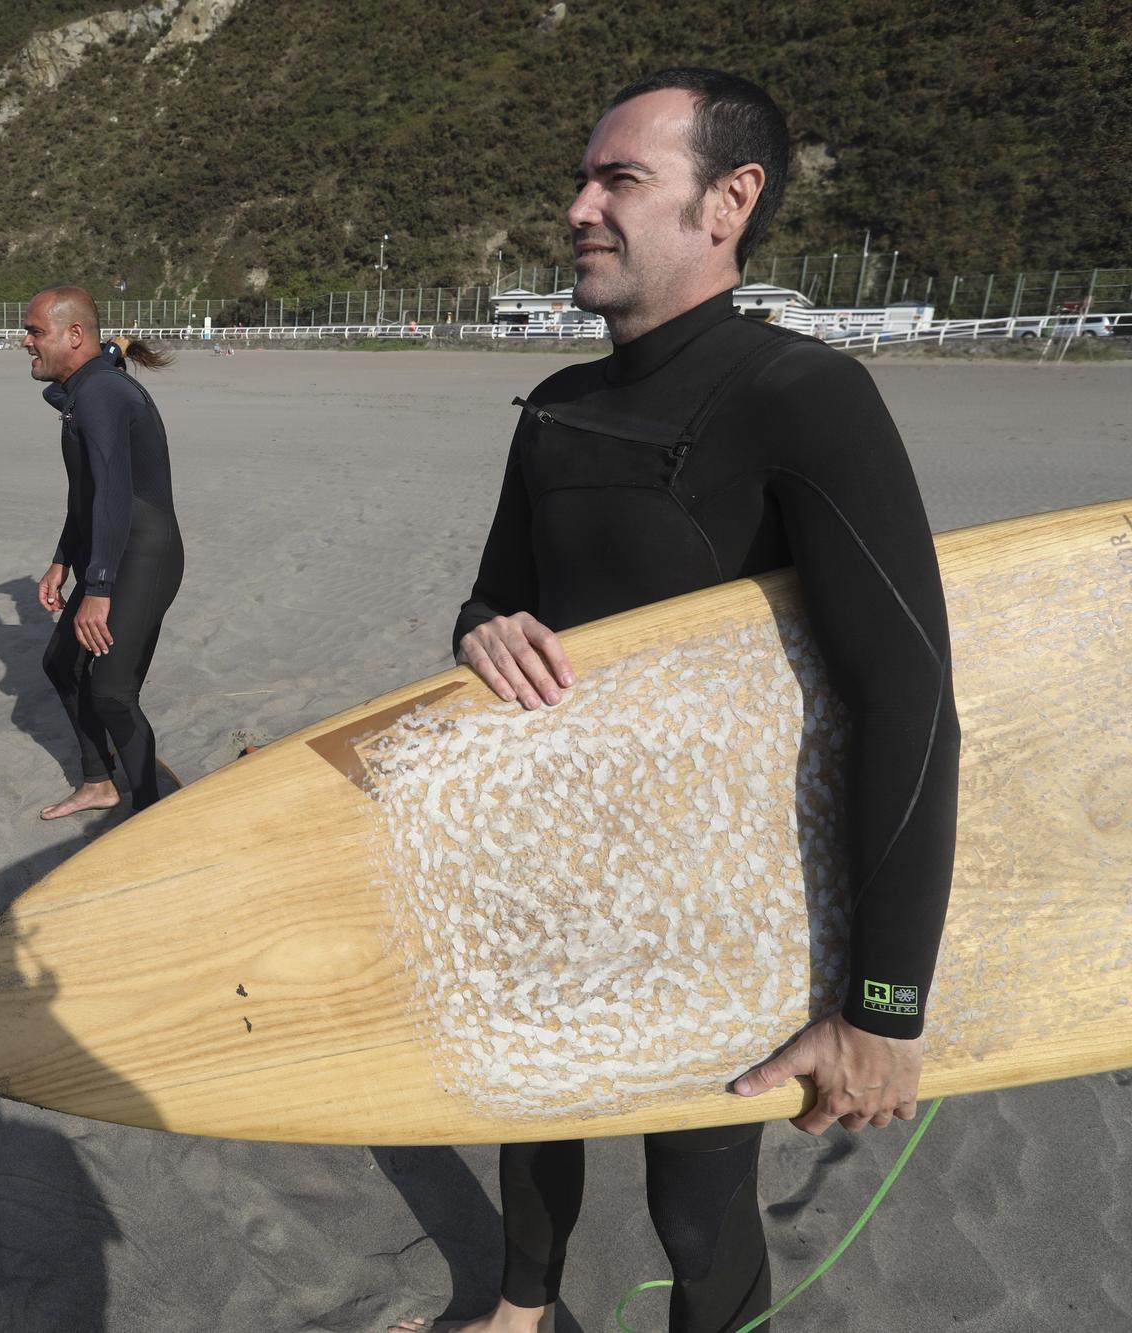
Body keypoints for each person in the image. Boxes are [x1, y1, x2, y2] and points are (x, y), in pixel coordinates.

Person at [392, 69, 958, 1333]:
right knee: (526, 1115)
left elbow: (907, 697)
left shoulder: (799, 397)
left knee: (694, 1216)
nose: (580, 206)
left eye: (619, 179)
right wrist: (488, 634)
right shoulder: (557, 408)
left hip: (719, 909)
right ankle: (516, 1309)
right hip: (549, 864)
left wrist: (882, 1005)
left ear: (728, 201)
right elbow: (489, 600)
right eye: (581, 180)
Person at [23, 289, 184, 819]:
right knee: (62, 662)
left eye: (35, 332)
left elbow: (112, 492)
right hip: (113, 546)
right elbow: (86, 494)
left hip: (143, 553)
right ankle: (99, 783)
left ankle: (152, 814)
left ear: (74, 336)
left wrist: (98, 588)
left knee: (112, 691)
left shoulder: (101, 395)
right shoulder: (89, 382)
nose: (24, 341)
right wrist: (62, 558)